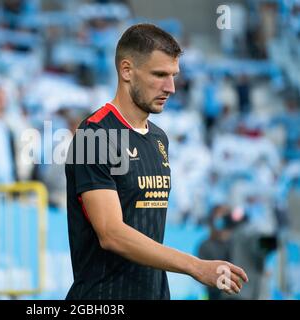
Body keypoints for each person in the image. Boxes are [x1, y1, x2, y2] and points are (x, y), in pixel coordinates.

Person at [65, 23, 248, 300]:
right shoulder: (95, 135)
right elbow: (111, 233)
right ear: (127, 70)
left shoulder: (159, 139)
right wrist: (195, 266)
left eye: (173, 75)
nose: (171, 87)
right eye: (160, 75)